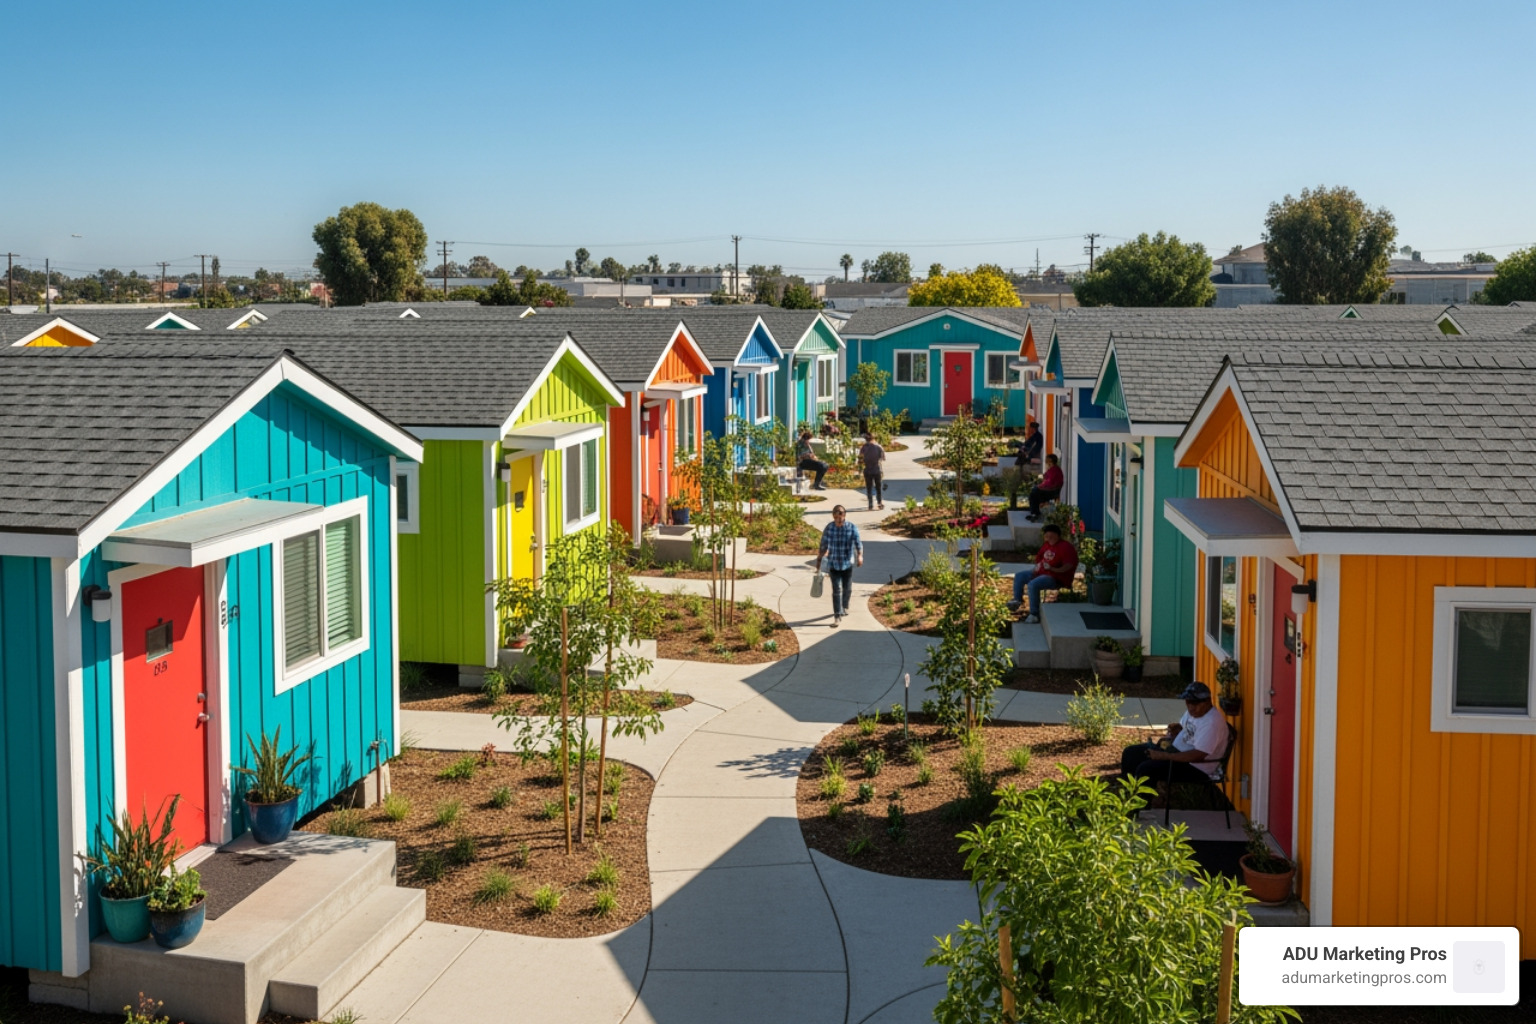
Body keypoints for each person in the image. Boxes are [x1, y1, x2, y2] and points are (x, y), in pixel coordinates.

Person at [1119, 683, 1229, 806]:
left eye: (1195, 703)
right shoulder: (1195, 713)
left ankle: (1140, 808)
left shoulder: (1212, 723)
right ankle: (1128, 798)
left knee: (1146, 769)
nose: (1191, 707)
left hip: (1195, 767)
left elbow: (1198, 755)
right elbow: (1185, 727)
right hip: (1176, 752)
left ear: (1208, 701)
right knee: (1131, 753)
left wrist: (1164, 756)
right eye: (1188, 702)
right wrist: (1176, 731)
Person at [1008, 522, 1077, 622]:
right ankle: (1017, 600)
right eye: (1047, 536)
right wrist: (1037, 566)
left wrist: (1053, 569)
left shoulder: (1066, 547)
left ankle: (1034, 614)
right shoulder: (1046, 545)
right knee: (1020, 576)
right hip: (1041, 573)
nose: (1049, 539)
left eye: (1051, 536)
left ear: (1057, 535)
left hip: (1056, 577)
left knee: (1033, 585)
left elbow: (1069, 565)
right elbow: (1039, 558)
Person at [815, 504, 863, 626]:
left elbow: (858, 543)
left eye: (841, 515)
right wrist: (819, 561)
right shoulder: (829, 528)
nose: (839, 518)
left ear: (844, 515)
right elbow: (823, 546)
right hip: (834, 564)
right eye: (836, 516)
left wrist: (860, 555)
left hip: (847, 564)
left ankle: (844, 605)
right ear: (833, 516)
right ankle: (837, 616)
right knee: (836, 589)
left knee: (848, 589)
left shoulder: (851, 527)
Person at [1024, 452, 1064, 521]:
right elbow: (1046, 477)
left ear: (1050, 462)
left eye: (1047, 462)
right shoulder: (1053, 469)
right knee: (1035, 491)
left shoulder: (1054, 470)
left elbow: (1049, 483)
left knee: (1034, 493)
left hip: (1053, 491)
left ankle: (1035, 513)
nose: (1046, 463)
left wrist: (1040, 486)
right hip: (1051, 489)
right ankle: (1035, 512)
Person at [858, 432, 885, 511]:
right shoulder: (879, 447)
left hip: (867, 470)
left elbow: (860, 460)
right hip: (877, 470)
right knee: (878, 488)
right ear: (874, 438)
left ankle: (870, 504)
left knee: (869, 488)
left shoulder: (863, 448)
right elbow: (883, 458)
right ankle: (879, 503)